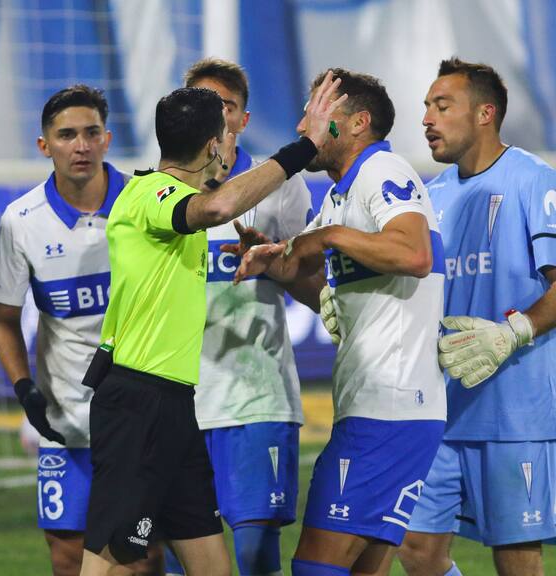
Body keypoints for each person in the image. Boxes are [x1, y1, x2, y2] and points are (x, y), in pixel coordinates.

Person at [79, 72, 346, 576]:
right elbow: (218, 205)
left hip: (177, 404)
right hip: (138, 400)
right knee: (114, 558)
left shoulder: (167, 198)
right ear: (212, 145)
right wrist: (305, 147)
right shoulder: (149, 193)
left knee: (211, 564)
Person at [233, 69, 447, 576]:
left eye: (317, 114)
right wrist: (273, 262)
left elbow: (415, 254)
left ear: (357, 123)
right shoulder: (339, 195)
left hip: (391, 407)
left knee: (316, 566)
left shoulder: (381, 170)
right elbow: (308, 277)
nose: (302, 125)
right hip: (376, 404)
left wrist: (327, 237)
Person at [0, 85, 163, 576]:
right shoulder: (21, 221)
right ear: (45, 145)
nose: (80, 145)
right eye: (67, 135)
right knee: (67, 555)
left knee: (143, 556)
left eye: (91, 133)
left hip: (142, 416)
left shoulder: (146, 203)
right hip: (65, 419)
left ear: (107, 139)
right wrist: (24, 389)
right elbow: (4, 319)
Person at [397, 58, 556, 576]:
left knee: (516, 559)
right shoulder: (432, 195)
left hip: (514, 414)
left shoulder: (533, 179)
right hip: (442, 409)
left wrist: (515, 331)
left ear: (485, 113)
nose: (427, 118)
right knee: (416, 551)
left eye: (443, 106)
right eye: (427, 106)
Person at [161, 57, 319, 576]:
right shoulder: (157, 191)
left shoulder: (280, 185)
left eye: (226, 106)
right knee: (176, 558)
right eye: (204, 104)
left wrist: (278, 265)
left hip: (255, 398)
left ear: (243, 119)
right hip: (176, 402)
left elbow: (318, 292)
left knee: (254, 556)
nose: (218, 116)